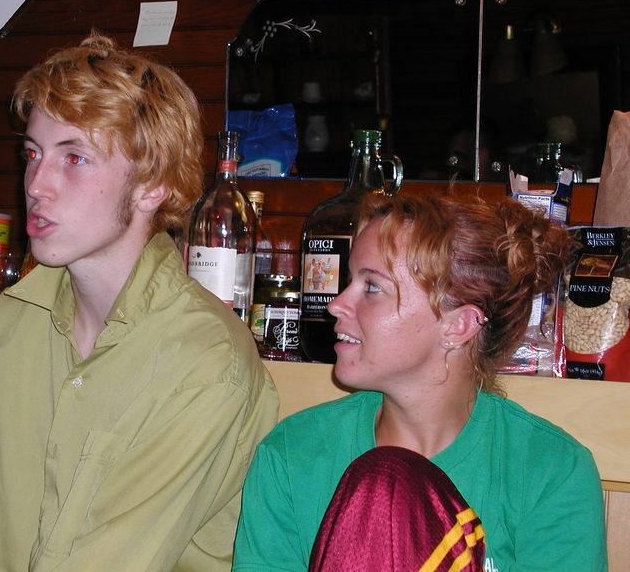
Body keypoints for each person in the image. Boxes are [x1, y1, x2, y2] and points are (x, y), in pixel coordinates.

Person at [0, 31, 278, 571]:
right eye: (33, 154)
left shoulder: (205, 360)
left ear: (152, 186)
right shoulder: (9, 323)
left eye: (75, 158)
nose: (37, 184)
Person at [233, 193, 607, 571]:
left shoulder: (550, 471)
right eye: (349, 281)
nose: (336, 304)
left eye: (372, 287)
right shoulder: (294, 454)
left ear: (457, 325)